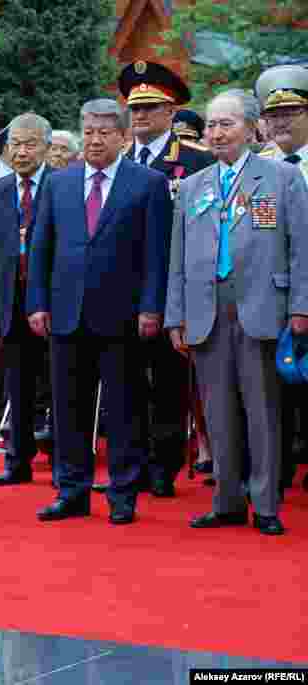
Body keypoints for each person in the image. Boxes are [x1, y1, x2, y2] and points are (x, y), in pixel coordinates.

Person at [166, 89, 308, 537]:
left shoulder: (282, 179)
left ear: (252, 128)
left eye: (226, 124)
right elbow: (178, 257)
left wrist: (301, 307)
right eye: (211, 125)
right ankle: (226, 500)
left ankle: (265, 502)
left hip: (263, 305)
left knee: (263, 411)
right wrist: (177, 316)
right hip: (207, 310)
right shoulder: (194, 185)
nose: (216, 132)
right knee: (218, 410)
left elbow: (302, 248)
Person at [26, 98, 171, 525]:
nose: (93, 140)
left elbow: (156, 254)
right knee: (68, 407)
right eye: (88, 131)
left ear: (124, 137)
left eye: (104, 133)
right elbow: (41, 246)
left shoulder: (147, 184)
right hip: (66, 312)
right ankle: (71, 490)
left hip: (122, 315)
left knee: (125, 407)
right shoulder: (60, 182)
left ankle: (123, 493)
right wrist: (36, 302)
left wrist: (151, 307)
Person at [114, 60, 215, 499]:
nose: (141, 117)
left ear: (171, 113)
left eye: (151, 108)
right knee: (125, 381)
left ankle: (164, 462)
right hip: (121, 289)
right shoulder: (117, 161)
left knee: (169, 382)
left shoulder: (196, 162)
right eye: (135, 109)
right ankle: (130, 461)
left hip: (174, 288)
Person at [0, 112, 54, 487]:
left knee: (59, 381)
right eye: (14, 145)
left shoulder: (62, 186)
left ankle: (64, 459)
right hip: (10, 299)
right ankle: (17, 459)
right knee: (17, 382)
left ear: (47, 147)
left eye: (29, 144)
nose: (21, 152)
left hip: (53, 302)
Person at [256, 64, 308, 494]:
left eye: (292, 112)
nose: (281, 122)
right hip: (275, 294)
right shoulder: (261, 171)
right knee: (278, 387)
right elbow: (263, 234)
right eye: (273, 115)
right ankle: (282, 465)